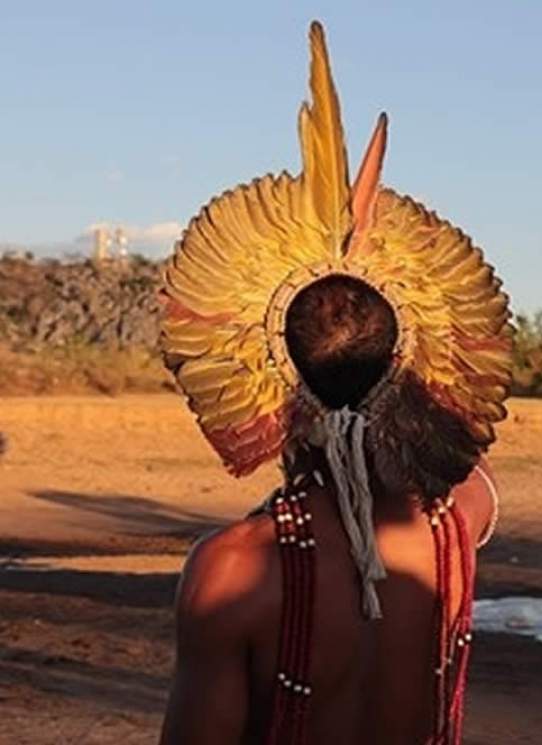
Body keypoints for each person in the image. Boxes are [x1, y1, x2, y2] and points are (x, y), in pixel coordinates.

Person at [158, 21, 511, 745]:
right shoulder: (458, 522)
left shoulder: (234, 570)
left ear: (261, 378)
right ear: (413, 365)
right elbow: (463, 456)